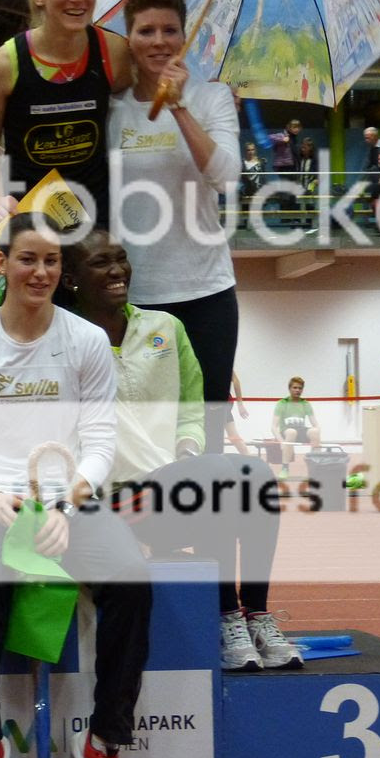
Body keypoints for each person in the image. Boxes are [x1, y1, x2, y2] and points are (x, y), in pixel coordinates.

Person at [0, 213, 151, 758]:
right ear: (2, 264)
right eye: (28, 259)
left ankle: (104, 744)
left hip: (68, 502)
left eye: (51, 261)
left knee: (132, 580)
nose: (40, 272)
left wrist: (67, 504)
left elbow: (100, 445)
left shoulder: (86, 341)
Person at [62, 229, 301, 672]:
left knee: (255, 478)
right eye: (100, 263)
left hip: (174, 488)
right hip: (114, 504)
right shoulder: (62, 341)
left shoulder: (165, 329)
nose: (117, 270)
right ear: (71, 279)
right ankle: (225, 617)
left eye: (121, 258)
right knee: (219, 480)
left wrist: (189, 454)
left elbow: (192, 409)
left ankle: (253, 615)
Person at [108, 0, 241, 455]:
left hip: (206, 293)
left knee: (206, 434)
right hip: (134, 296)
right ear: (129, 38)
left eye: (170, 30)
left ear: (185, 37)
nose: (159, 41)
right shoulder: (111, 109)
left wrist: (180, 106)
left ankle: (207, 507)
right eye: (146, 31)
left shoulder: (212, 97)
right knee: (142, 438)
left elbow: (226, 177)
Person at [0, 0, 132, 228]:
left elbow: (141, 105)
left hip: (96, 224)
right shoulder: (4, 63)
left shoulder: (114, 51)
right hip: (28, 222)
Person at [269, 376, 322, 477]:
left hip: (301, 431)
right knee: (291, 432)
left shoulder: (305, 404)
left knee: (314, 432)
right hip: (286, 432)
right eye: (295, 387)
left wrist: (318, 436)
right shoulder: (282, 403)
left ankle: (316, 467)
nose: (297, 390)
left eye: (300, 388)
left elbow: (315, 424)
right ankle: (285, 468)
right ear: (289, 388)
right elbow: (273, 427)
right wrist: (281, 442)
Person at [238, 142, 264, 228]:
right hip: (246, 189)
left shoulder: (260, 162)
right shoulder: (242, 163)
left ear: (255, 150)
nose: (250, 152)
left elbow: (263, 177)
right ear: (245, 151)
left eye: (252, 149)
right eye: (248, 150)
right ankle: (246, 223)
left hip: (257, 189)